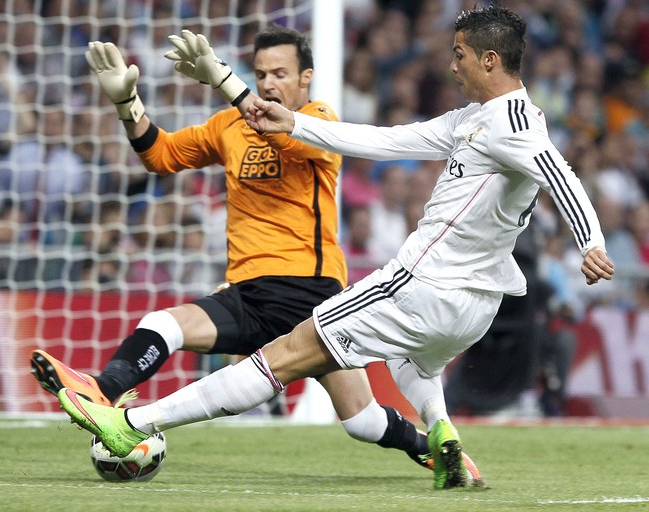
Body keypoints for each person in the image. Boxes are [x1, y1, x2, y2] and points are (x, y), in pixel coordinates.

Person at [54, 6, 614, 489]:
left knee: (284, 356)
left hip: (421, 282)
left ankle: (134, 423)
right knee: (409, 361)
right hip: (473, 307)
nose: (452, 64)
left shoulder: (514, 123)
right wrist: (290, 120)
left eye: (461, 54)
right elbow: (385, 139)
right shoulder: (474, 119)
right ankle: (440, 431)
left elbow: (557, 172)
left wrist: (590, 240)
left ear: (490, 60)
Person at [30, 24, 483, 483]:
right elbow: (161, 155)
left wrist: (225, 79)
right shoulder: (228, 126)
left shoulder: (319, 118)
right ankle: (100, 393)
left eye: (280, 73)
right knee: (162, 324)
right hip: (248, 293)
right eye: (261, 72)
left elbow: (280, 132)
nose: (268, 83)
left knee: (361, 421)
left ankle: (431, 448)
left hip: (310, 295)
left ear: (305, 78)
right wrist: (128, 106)